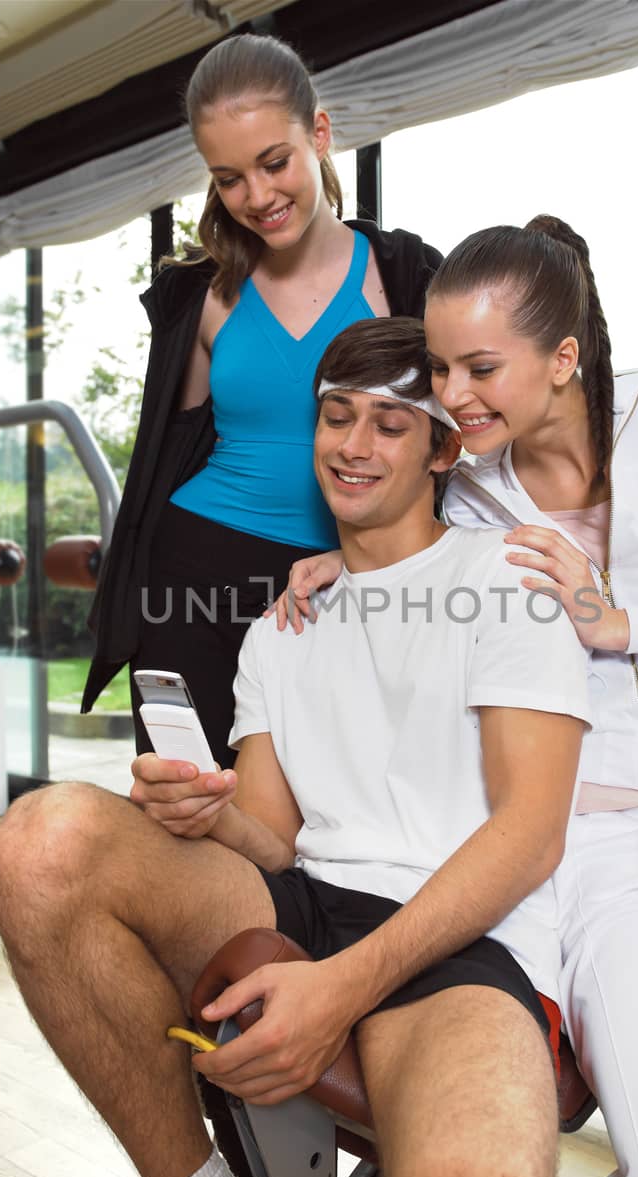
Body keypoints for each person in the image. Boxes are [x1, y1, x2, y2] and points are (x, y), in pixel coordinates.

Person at [271, 217, 638, 1177]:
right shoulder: (470, 493)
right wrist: (346, 562)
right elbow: (414, 551)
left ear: (563, 359)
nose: (451, 396)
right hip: (594, 839)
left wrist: (619, 620)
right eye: (441, 369)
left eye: (479, 368)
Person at [0, 316, 590, 1177]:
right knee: (44, 841)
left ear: (440, 449)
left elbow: (531, 835)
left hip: (461, 938)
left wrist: (341, 988)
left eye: (388, 425)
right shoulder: (283, 626)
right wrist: (206, 812)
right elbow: (274, 840)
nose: (352, 446)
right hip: (307, 901)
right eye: (336, 416)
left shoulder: (508, 582)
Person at [80, 33, 442, 772]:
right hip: (192, 577)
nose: (258, 197)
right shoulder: (203, 297)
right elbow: (171, 449)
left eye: (274, 163)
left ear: (320, 133)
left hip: (348, 577)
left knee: (328, 823)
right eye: (229, 178)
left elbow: (451, 444)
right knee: (191, 811)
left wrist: (381, 557)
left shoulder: (405, 276)